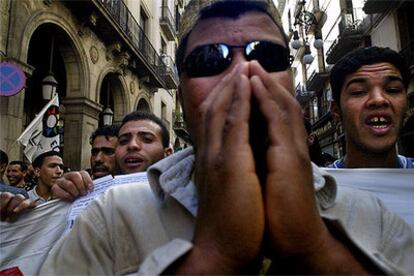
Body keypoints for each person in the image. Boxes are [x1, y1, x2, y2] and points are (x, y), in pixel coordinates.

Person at [41, 1, 414, 274]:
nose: (242, 75)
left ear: (291, 80)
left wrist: (315, 249)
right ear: (181, 93)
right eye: (209, 60)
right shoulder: (111, 220)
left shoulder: (370, 216)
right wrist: (214, 257)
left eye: (266, 55)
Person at [328, 46, 414, 168]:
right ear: (336, 111)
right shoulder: (314, 186)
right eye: (358, 92)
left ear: (407, 105)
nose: (379, 99)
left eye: (392, 89)